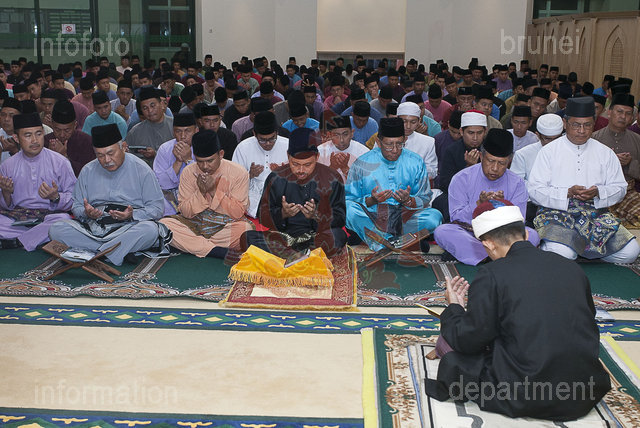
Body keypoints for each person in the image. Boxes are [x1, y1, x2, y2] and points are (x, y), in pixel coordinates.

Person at [425, 199, 611, 421]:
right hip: (583, 391)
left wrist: (454, 308)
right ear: (525, 235)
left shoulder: (492, 274)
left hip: (529, 394)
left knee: (454, 357)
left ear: (489, 244)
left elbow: (467, 340)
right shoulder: (571, 268)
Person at [529, 97, 640, 263]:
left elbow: (620, 187)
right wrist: (566, 193)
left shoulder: (605, 152)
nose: (582, 130)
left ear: (594, 124)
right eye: (576, 125)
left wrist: (598, 192)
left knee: (631, 252)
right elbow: (534, 190)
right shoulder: (549, 152)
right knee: (563, 254)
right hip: (557, 213)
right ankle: (566, 249)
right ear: (565, 124)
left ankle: (579, 250)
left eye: (587, 125)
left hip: (595, 213)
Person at [48, 124, 166, 266]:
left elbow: (157, 208)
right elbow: (76, 206)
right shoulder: (88, 170)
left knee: (150, 230)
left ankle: (94, 253)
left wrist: (131, 215)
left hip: (128, 227)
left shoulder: (142, 169)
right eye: (100, 155)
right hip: (95, 228)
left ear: (123, 147)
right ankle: (114, 252)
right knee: (56, 229)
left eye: (111, 153)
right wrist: (86, 213)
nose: (107, 160)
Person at [434, 128, 539, 265]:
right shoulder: (461, 178)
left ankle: (482, 256)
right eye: (490, 161)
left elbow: (520, 221)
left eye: (501, 163)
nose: (495, 168)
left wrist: (503, 206)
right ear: (481, 156)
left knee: (532, 235)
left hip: (503, 236)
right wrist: (478, 205)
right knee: (442, 232)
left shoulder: (517, 183)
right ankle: (500, 256)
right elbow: (456, 218)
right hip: (470, 233)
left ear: (509, 161)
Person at [241, 127, 346, 258]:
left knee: (337, 237)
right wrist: (282, 214)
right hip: (285, 238)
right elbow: (263, 216)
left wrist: (316, 216)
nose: (301, 170)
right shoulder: (276, 177)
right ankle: (303, 256)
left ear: (317, 157)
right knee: (247, 238)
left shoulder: (332, 177)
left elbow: (340, 218)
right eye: (295, 164)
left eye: (307, 165)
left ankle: (292, 256)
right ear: (288, 156)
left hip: (316, 236)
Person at [345, 117, 442, 252]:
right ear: (378, 142)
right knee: (348, 210)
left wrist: (409, 200)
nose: (395, 150)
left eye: (399, 144)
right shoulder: (362, 163)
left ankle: (382, 241)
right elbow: (349, 199)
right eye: (389, 145)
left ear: (405, 140)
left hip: (404, 218)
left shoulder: (415, 162)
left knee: (434, 217)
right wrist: (372, 200)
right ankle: (397, 242)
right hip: (373, 217)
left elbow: (425, 197)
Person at [160, 130, 254, 259]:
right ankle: (215, 250)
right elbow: (185, 212)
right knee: (164, 224)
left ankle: (193, 246)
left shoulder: (238, 173)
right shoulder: (188, 172)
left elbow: (237, 213)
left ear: (221, 154)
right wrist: (201, 192)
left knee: (244, 230)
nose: (205, 166)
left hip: (224, 225)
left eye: (210, 161)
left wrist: (214, 190)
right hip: (195, 223)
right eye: (200, 161)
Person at [0, 113, 76, 250]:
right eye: (28, 135)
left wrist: (56, 197)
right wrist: (6, 193)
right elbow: (6, 207)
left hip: (49, 217)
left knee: (63, 221)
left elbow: (74, 199)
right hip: (18, 217)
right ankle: (36, 238)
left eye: (39, 134)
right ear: (16, 138)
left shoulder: (60, 162)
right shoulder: (7, 165)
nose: (35, 140)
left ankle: (19, 241)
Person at [592, 93, 640, 227]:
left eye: (628, 113)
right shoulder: (594, 139)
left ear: (632, 118)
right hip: (600, 193)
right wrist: (609, 162)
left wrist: (630, 164)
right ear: (609, 112)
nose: (623, 116)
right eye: (619, 111)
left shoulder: (637, 140)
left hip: (628, 193)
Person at [432, 111, 487, 222]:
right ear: (462, 131)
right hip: (459, 195)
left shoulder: (489, 149)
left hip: (486, 193)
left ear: (485, 132)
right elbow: (445, 184)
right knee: (442, 202)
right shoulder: (452, 150)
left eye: (479, 133)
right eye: (471, 133)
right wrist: (469, 168)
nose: (475, 137)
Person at [232, 111, 289, 218]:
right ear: (254, 134)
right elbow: (233, 182)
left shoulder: (288, 145)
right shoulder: (243, 148)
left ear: (277, 132)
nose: (268, 143)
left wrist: (283, 173)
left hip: (282, 197)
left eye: (272, 139)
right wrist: (249, 175)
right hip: (252, 201)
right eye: (262, 140)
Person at [153, 113, 198, 215]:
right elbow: (160, 183)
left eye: (187, 131)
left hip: (195, 194)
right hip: (171, 197)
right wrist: (178, 161)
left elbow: (202, 180)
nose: (183, 136)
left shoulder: (202, 146)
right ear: (173, 132)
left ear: (196, 130)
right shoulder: (165, 149)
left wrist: (188, 160)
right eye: (178, 131)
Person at [44, 100, 96, 177]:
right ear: (52, 124)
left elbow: (88, 173)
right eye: (57, 130)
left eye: (67, 130)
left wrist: (64, 157)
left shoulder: (86, 141)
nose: (62, 135)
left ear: (75, 125)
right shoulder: (45, 142)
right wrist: (49, 156)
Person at [126, 87, 174, 161]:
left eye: (152, 106)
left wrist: (156, 154)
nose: (150, 111)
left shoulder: (175, 126)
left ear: (161, 104)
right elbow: (128, 155)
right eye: (145, 108)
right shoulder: (135, 132)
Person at [318, 116, 369, 183]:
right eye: (336, 135)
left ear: (352, 133)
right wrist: (332, 167)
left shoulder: (364, 152)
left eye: (345, 134)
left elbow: (365, 183)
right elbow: (318, 182)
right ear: (330, 135)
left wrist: (345, 168)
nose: (341, 140)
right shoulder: (320, 152)